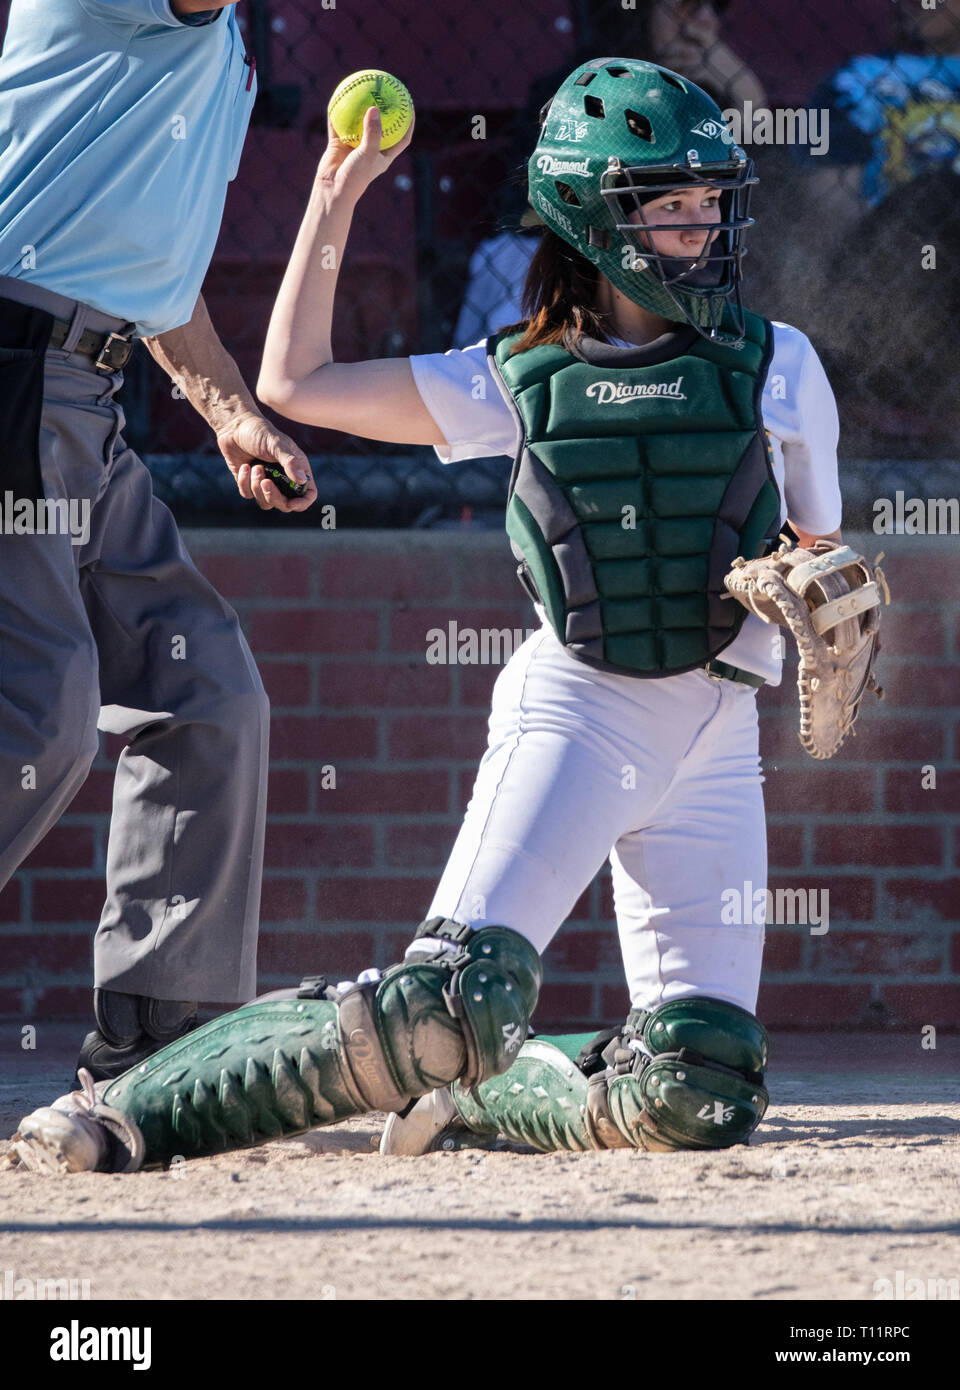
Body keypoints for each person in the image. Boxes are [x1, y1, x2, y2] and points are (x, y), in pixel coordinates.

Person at [11, 56, 842, 1174]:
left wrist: (825, 595)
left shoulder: (781, 364)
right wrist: (334, 194)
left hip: (718, 741)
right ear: (591, 216)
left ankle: (481, 1099)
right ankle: (129, 1108)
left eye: (710, 200)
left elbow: (816, 548)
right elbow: (297, 384)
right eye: (667, 202)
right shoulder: (519, 374)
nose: (700, 225)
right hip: (580, 714)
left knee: (702, 1086)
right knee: (450, 999)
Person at [0, 0, 318, 1084]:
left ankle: (161, 1040)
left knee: (207, 692)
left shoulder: (218, 48)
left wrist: (226, 407)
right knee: (39, 714)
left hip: (83, 396)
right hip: (15, 371)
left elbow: (150, 272)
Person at [454, 0, 767, 345]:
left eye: (713, 7)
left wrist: (741, 88)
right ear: (637, 13)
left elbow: (758, 169)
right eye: (685, 7)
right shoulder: (580, 90)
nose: (705, 20)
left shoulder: (708, 91)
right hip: (558, 246)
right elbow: (552, 208)